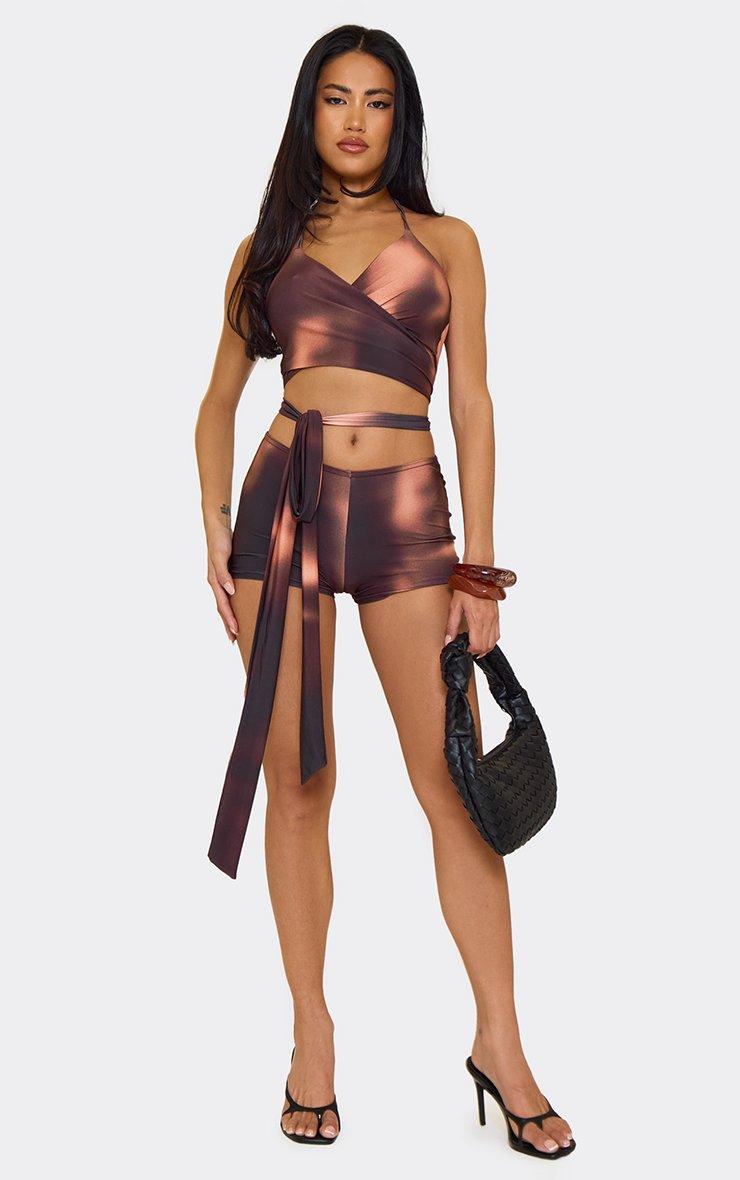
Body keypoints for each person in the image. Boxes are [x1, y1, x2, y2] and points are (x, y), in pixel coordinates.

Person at [194, 24, 575, 1157]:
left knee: (453, 783)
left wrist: (479, 567)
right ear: (307, 114)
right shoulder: (265, 249)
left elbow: (473, 404)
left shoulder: (447, 241)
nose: (354, 120)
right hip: (283, 513)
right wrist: (214, 527)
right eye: (334, 98)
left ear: (400, 118)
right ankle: (310, 1037)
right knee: (299, 781)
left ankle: (500, 1044)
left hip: (407, 517)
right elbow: (215, 402)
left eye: (375, 100)